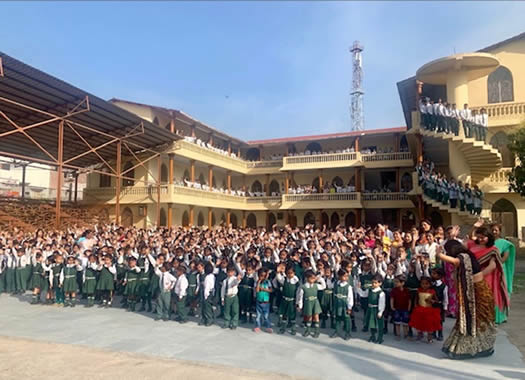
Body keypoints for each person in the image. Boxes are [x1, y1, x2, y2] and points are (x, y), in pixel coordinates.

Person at [438, 241, 497, 359]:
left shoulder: (464, 257)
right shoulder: (469, 257)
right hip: (477, 290)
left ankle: (477, 347)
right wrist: (493, 261)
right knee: (473, 320)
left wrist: (439, 254)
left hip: (478, 292)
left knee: (477, 320)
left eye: (448, 251)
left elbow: (455, 261)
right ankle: (476, 347)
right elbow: (491, 267)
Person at [467, 223, 510, 324]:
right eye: (479, 237)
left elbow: (493, 265)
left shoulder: (493, 250)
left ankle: (487, 319)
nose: (481, 239)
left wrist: (479, 275)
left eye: (483, 237)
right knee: (474, 298)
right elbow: (466, 241)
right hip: (472, 275)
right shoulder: (472, 244)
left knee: (485, 298)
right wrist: (474, 227)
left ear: (489, 237)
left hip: (486, 276)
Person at [491, 223, 516, 318]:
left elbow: (504, 258)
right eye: (492, 230)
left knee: (500, 292)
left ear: (500, 232)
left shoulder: (505, 243)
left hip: (500, 270)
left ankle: (501, 316)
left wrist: (496, 259)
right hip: (490, 270)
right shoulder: (488, 242)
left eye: (496, 230)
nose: (494, 232)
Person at [408, 276, 442, 343]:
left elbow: (437, 300)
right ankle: (420, 334)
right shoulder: (419, 290)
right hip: (420, 309)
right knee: (419, 323)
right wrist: (415, 305)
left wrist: (431, 300)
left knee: (429, 324)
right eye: (423, 283)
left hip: (429, 310)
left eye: (426, 284)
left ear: (430, 284)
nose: (424, 285)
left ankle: (429, 337)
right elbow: (416, 299)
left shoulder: (432, 291)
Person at [358, 274, 386, 344]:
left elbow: (382, 303)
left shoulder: (381, 293)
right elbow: (363, 294)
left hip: (377, 309)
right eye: (372, 282)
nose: (373, 284)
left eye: (375, 283)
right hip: (370, 309)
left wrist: (380, 312)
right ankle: (373, 336)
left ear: (380, 283)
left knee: (379, 324)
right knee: (371, 323)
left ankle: (380, 338)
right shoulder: (370, 290)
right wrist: (358, 288)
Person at [297, 269, 325, 338]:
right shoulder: (303, 287)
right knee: (308, 317)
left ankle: (317, 331)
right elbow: (300, 297)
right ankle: (308, 330)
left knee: (316, 316)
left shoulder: (316, 285)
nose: (313, 279)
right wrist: (300, 306)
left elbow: (323, 286)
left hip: (315, 302)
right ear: (307, 278)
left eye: (314, 278)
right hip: (308, 303)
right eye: (311, 278)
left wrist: (320, 279)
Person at [275, 263, 300, 335]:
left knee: (292, 316)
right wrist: (278, 271)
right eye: (288, 273)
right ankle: (283, 328)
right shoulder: (284, 280)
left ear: (294, 273)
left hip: (292, 301)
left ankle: (293, 329)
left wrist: (298, 302)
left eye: (291, 273)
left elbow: (298, 293)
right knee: (284, 315)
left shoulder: (296, 281)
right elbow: (279, 278)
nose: (289, 275)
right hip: (284, 300)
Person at [330, 268, 353, 341]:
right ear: (339, 276)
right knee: (337, 318)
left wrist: (350, 307)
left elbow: (350, 297)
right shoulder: (336, 284)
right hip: (337, 303)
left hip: (344, 304)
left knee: (347, 319)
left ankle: (348, 333)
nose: (345, 278)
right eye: (344, 276)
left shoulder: (348, 287)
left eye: (347, 276)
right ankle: (337, 331)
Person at [390, 275, 411, 340]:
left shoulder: (407, 290)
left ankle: (406, 334)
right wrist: (392, 306)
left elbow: (409, 300)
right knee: (397, 322)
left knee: (405, 323)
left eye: (397, 282)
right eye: (395, 282)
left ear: (403, 283)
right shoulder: (394, 290)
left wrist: (409, 308)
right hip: (397, 308)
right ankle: (398, 334)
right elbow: (392, 299)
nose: (396, 283)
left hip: (405, 309)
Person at [221, 264, 241, 329]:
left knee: (235, 310)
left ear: (234, 272)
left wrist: (238, 278)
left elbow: (236, 282)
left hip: (234, 296)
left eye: (231, 272)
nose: (230, 273)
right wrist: (222, 298)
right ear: (226, 272)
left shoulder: (235, 279)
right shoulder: (225, 281)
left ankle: (234, 323)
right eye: (229, 272)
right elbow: (223, 290)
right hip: (227, 297)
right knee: (227, 311)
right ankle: (227, 322)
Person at [431, 267, 448, 341]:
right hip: (432, 305)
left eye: (434, 274)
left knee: (439, 320)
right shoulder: (432, 285)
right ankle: (434, 333)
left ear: (439, 276)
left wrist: (445, 307)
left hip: (439, 305)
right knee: (433, 319)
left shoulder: (444, 286)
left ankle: (440, 333)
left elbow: (445, 297)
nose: (432, 275)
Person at [254, 267, 273, 333]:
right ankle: (257, 326)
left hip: (266, 302)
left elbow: (271, 290)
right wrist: (259, 282)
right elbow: (257, 290)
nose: (263, 277)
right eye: (261, 276)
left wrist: (264, 289)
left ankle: (268, 326)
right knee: (258, 316)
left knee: (266, 316)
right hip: (259, 301)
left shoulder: (268, 282)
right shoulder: (257, 282)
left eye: (264, 276)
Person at [198, 262, 216, 327]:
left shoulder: (207, 277)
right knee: (208, 307)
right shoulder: (213, 276)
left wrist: (206, 296)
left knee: (207, 308)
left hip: (207, 294)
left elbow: (207, 288)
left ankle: (209, 320)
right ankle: (207, 319)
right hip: (211, 293)